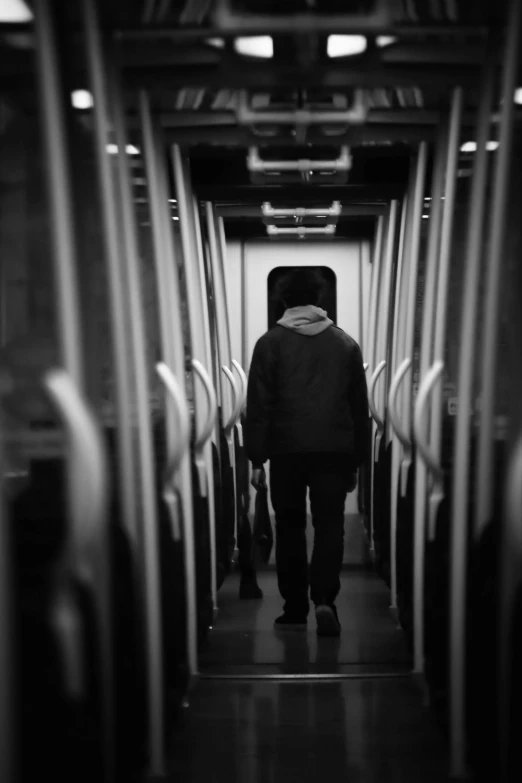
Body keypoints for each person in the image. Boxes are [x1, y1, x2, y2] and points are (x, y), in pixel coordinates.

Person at [244, 268, 369, 637]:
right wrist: (357, 458)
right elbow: (358, 408)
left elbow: (259, 405)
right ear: (320, 301)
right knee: (330, 525)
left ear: (282, 302)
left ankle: (294, 607)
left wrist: (256, 458)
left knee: (290, 527)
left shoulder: (269, 343)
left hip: (286, 452)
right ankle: (325, 600)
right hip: (334, 450)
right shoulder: (345, 344)